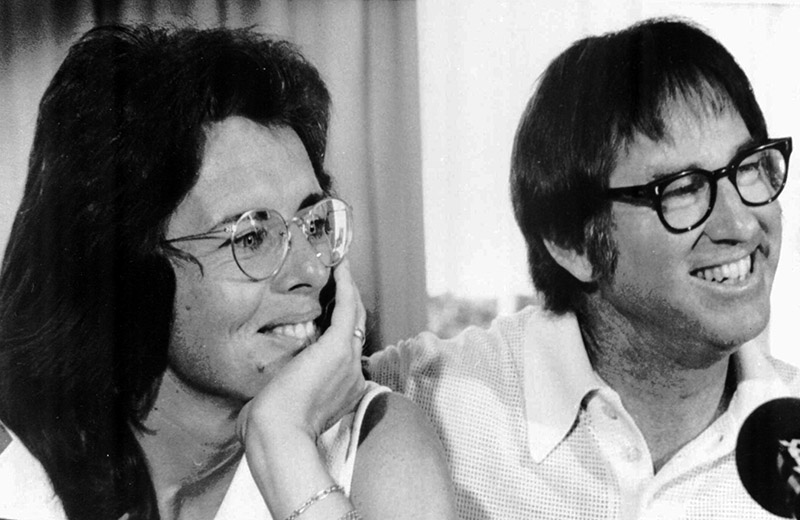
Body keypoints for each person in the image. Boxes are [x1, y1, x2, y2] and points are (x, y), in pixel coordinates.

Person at [0, 25, 456, 520]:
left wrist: (284, 447)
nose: (310, 270)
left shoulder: (377, 446)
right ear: (128, 266)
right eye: (253, 236)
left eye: (315, 223)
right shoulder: (15, 464)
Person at [368, 17, 797, 519]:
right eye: (682, 189)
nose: (742, 224)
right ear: (573, 244)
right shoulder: (419, 398)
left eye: (747, 167)